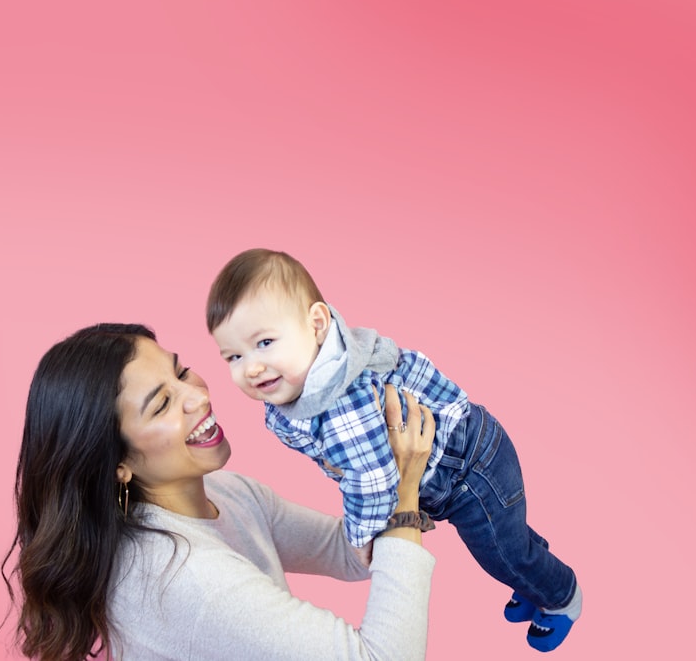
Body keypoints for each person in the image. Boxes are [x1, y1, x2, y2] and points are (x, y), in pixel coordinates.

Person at [206, 249, 583, 653]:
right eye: (234, 356)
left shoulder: (340, 400)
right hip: (455, 464)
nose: (252, 368)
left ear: (316, 324)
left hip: (471, 472)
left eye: (264, 342)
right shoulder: (308, 371)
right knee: (508, 537)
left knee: (501, 552)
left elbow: (374, 481)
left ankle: (562, 596)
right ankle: (528, 570)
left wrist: (359, 536)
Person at [2, 322, 439, 661]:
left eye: (181, 372)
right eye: (162, 404)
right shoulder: (183, 577)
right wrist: (403, 491)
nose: (196, 396)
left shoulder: (225, 493)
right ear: (118, 464)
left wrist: (364, 459)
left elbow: (348, 550)